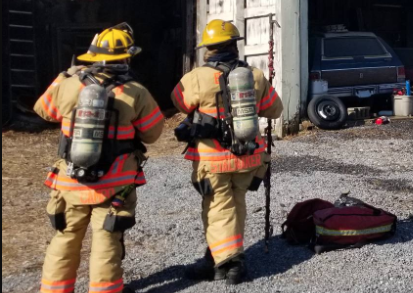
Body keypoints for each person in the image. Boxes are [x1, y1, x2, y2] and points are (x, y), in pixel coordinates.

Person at [34, 23, 164, 293]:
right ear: (126, 58)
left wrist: (63, 76)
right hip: (115, 184)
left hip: (71, 182)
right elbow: (152, 133)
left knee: (65, 239)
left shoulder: (70, 86)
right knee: (106, 242)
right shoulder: (135, 91)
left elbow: (43, 110)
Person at [171, 20, 283, 285]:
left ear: (207, 49)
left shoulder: (197, 77)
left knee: (217, 208)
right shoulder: (253, 76)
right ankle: (215, 257)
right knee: (236, 206)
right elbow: (275, 110)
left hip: (213, 162)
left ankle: (231, 264)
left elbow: (178, 101)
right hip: (249, 159)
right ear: (235, 45)